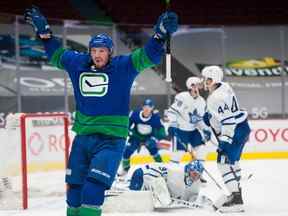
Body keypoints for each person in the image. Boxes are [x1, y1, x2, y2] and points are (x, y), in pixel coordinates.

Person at [24, 6, 178, 216]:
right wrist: (45, 34)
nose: (97, 55)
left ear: (110, 52)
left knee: (93, 189)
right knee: (74, 191)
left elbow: (148, 56)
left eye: (102, 51)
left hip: (111, 140)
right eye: (94, 51)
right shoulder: (78, 63)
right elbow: (56, 55)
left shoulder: (123, 67)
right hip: (83, 138)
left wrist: (160, 35)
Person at [201, 65, 251, 213]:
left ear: (213, 80)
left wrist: (225, 140)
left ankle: (236, 200)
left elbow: (228, 121)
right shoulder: (224, 87)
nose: (205, 81)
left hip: (234, 131)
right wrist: (210, 116)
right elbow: (225, 112)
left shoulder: (216, 98)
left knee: (223, 163)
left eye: (207, 79)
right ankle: (236, 195)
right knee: (233, 162)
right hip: (242, 127)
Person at [166, 77, 215, 163]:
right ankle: (171, 174)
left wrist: (205, 129)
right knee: (178, 154)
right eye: (197, 85)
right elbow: (171, 112)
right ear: (191, 86)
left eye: (199, 85)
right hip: (180, 131)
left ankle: (195, 174)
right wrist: (173, 124)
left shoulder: (202, 101)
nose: (199, 88)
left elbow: (198, 119)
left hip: (193, 131)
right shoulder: (183, 97)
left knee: (202, 151)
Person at [128, 160, 212, 209]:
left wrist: (198, 200)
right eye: (194, 174)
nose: (196, 177)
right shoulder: (176, 173)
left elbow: (189, 198)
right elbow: (161, 185)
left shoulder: (196, 181)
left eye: (198, 175)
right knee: (135, 204)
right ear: (188, 171)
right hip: (140, 174)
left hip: (152, 178)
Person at [120, 98, 166, 175]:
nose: (147, 108)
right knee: (127, 152)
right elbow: (127, 124)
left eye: (149, 107)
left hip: (149, 138)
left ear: (152, 108)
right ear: (142, 107)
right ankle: (125, 169)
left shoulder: (156, 118)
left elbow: (162, 131)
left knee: (154, 153)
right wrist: (128, 131)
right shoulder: (135, 114)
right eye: (145, 106)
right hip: (136, 137)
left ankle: (163, 169)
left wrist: (154, 139)